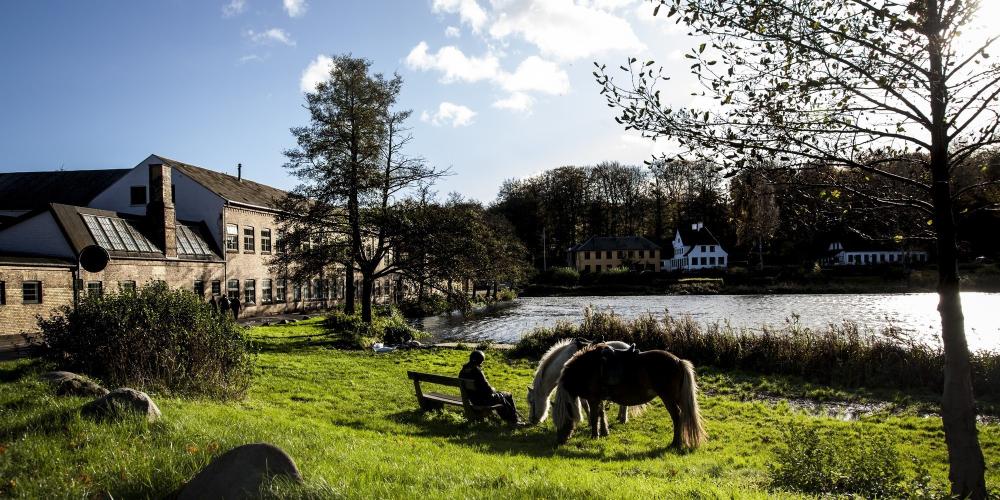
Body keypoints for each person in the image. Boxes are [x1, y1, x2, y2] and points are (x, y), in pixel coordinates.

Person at [459, 350, 524, 426]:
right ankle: (514, 421)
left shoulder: (462, 371)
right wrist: (493, 389)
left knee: (500, 396)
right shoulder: (477, 371)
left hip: (473, 400)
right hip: (484, 400)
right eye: (482, 362)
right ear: (480, 361)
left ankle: (510, 419)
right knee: (507, 395)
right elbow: (488, 390)